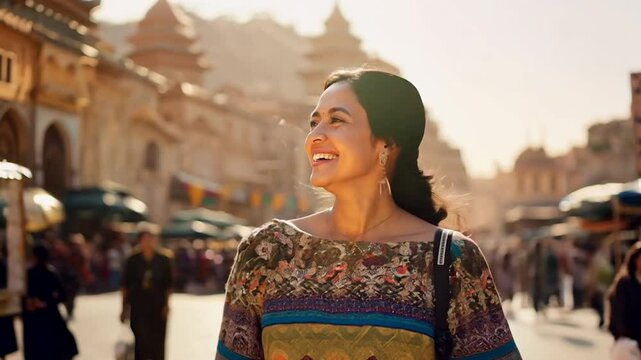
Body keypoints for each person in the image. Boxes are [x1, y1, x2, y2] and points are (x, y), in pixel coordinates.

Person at [215, 69, 521, 359]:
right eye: (314, 123)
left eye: (336, 120)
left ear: (386, 143)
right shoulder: (267, 251)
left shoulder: (451, 259)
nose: (315, 136)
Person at [120, 223, 173, 360]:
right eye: (146, 238)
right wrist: (123, 307)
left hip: (158, 305)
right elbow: (125, 284)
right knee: (141, 340)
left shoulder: (164, 259)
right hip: (138, 305)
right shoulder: (133, 259)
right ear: (140, 240)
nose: (149, 242)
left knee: (158, 341)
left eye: (152, 238)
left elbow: (168, 284)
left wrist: (167, 305)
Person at [22, 244, 78, 360]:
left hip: (41, 319)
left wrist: (41, 303)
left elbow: (62, 294)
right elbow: (62, 295)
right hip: (44, 317)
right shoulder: (49, 273)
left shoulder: (35, 274)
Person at [607, 241, 641, 348]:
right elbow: (617, 312)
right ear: (635, 260)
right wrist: (623, 336)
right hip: (630, 340)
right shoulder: (624, 283)